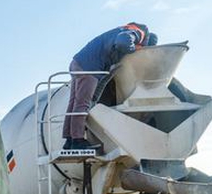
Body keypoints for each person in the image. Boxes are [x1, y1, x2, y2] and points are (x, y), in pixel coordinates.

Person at [62, 23, 157, 152]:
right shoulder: (137, 33)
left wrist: (95, 98)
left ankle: (69, 140)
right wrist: (135, 49)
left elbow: (105, 77)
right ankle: (78, 140)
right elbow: (123, 41)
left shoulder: (119, 33)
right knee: (82, 104)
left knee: (74, 103)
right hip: (89, 67)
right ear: (145, 42)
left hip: (78, 63)